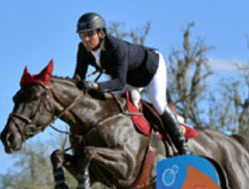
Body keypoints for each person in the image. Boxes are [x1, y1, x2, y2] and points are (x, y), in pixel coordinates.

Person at [73, 12, 190, 156]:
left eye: (90, 34)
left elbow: (119, 82)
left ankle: (183, 147)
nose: (86, 39)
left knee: (158, 103)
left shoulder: (116, 47)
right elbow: (79, 75)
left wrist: (96, 86)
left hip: (150, 68)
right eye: (82, 35)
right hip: (129, 77)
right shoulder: (83, 49)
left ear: (101, 33)